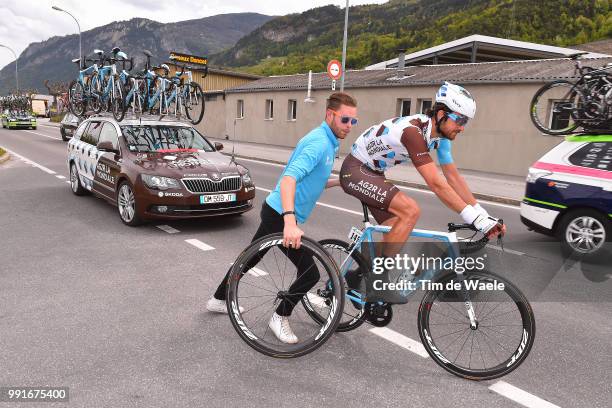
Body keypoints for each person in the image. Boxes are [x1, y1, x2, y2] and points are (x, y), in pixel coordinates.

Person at [206, 92, 358, 344]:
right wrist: (289, 221)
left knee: (251, 257)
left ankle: (218, 299)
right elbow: (289, 179)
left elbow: (312, 180)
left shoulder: (329, 141)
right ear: (330, 115)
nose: (349, 126)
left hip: (276, 210)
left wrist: (339, 182)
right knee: (310, 273)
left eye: (354, 121)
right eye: (345, 120)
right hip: (280, 214)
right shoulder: (318, 142)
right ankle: (280, 316)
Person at [340, 82, 505, 298]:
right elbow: (436, 183)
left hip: (374, 173)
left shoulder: (440, 138)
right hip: (356, 170)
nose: (463, 127)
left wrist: (483, 215)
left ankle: (357, 275)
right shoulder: (413, 132)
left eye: (466, 121)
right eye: (461, 119)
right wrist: (475, 220)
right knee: (411, 210)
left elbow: (453, 178)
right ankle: (377, 282)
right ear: (442, 114)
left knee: (394, 230)